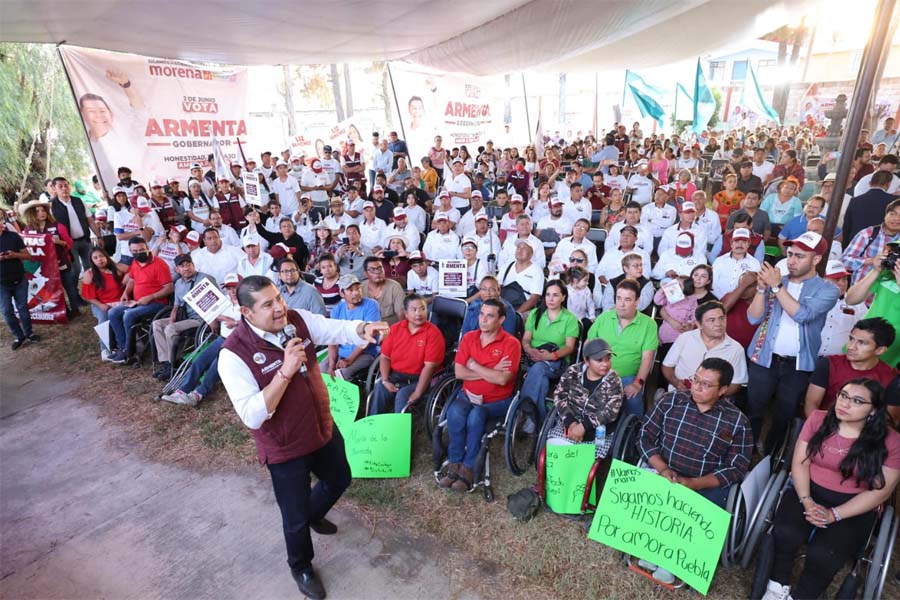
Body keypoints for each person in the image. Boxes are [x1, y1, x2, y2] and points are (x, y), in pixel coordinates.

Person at [218, 275, 388, 599]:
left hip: (320, 425)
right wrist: (286, 369)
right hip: (285, 446)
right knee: (293, 519)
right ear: (246, 312)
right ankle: (301, 566)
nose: (280, 308)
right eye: (268, 305)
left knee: (340, 478)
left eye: (278, 299)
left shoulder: (295, 320)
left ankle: (314, 512)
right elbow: (252, 414)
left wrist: (360, 331)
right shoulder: (233, 354)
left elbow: (329, 327)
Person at [761, 379, 900, 600]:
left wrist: (834, 514)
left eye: (856, 400)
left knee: (824, 554)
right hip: (808, 490)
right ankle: (777, 585)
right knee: (786, 533)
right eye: (843, 396)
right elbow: (800, 463)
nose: (845, 403)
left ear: (873, 409)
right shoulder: (818, 419)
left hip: (854, 505)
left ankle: (804, 595)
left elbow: (881, 492)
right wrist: (807, 501)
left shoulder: (890, 440)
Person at [746, 231, 839, 453]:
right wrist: (761, 288)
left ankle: (770, 456)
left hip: (798, 365)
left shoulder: (828, 289)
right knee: (754, 409)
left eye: (800, 256)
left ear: (816, 259)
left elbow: (803, 315)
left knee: (784, 414)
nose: (792, 260)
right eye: (790, 254)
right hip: (763, 357)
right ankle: (745, 452)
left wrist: (777, 288)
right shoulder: (777, 281)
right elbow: (753, 318)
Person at [639, 358, 752, 509]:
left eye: (706, 384)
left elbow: (736, 468)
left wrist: (694, 484)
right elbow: (645, 436)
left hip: (705, 486)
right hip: (661, 472)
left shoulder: (737, 422)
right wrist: (663, 468)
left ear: (723, 390)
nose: (696, 388)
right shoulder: (670, 401)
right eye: (695, 380)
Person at [439, 299, 521, 492]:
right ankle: (454, 462)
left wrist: (474, 365)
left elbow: (503, 380)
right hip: (468, 395)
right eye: (481, 314)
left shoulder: (511, 344)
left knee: (476, 416)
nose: (483, 320)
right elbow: (459, 373)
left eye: (490, 316)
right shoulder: (469, 338)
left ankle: (468, 468)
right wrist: (492, 369)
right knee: (454, 412)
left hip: (497, 402)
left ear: (501, 320)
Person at [160, 272, 243, 407]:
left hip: (238, 342)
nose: (232, 291)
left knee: (217, 364)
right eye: (229, 288)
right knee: (199, 360)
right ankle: (183, 390)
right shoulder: (224, 300)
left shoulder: (249, 302)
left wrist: (236, 323)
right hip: (222, 339)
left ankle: (198, 394)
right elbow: (213, 313)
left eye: (235, 287)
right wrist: (221, 318)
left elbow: (255, 322)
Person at [587, 279, 658, 416]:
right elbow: (588, 345)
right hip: (598, 372)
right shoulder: (604, 317)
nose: (621, 304)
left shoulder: (648, 324)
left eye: (627, 299)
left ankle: (636, 433)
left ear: (637, 302)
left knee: (633, 398)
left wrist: (638, 383)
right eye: (618, 298)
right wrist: (589, 369)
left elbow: (647, 359)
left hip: (627, 377)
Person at [804, 317, 898, 418]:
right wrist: (820, 430)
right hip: (825, 427)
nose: (851, 346)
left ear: (880, 350)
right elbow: (812, 404)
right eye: (851, 339)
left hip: (868, 431)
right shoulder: (829, 364)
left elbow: (889, 420)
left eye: (862, 343)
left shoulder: (893, 378)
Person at [369, 294, 445, 415]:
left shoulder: (433, 333)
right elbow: (384, 357)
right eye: (414, 310)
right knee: (380, 388)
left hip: (422, 378)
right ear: (405, 313)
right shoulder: (395, 329)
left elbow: (429, 367)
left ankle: (399, 433)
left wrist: (418, 392)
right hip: (397, 375)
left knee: (402, 395)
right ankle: (372, 426)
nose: (419, 313)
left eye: (422, 309)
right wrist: (385, 380)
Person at [519, 280, 581, 423]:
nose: (551, 299)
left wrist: (551, 356)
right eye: (548, 295)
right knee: (542, 381)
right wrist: (529, 349)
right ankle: (539, 422)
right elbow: (526, 339)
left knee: (539, 368)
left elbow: (569, 347)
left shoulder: (569, 319)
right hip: (533, 357)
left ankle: (525, 410)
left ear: (563, 297)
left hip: (556, 361)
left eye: (555, 295)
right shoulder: (535, 314)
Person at [107, 237, 174, 364]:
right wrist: (126, 293)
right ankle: (122, 347)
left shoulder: (159, 264)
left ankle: (130, 351)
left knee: (129, 315)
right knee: (113, 313)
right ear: (131, 251)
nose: (139, 253)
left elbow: (169, 288)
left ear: (147, 248)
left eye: (142, 250)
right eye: (135, 251)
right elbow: (132, 279)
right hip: (137, 302)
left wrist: (151, 297)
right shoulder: (135, 263)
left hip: (157, 304)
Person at [549, 337, 624, 449]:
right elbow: (559, 395)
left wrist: (584, 426)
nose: (605, 364)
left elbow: (611, 411)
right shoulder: (573, 372)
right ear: (587, 360)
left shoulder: (614, 380)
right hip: (571, 420)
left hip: (598, 428)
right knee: (555, 443)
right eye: (599, 360)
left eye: (608, 359)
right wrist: (571, 422)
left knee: (592, 454)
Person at [662, 301, 748, 396]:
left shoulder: (735, 349)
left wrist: (713, 397)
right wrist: (677, 383)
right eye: (711, 320)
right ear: (699, 324)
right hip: (679, 394)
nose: (718, 324)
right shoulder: (686, 338)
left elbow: (736, 383)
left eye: (722, 318)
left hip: (714, 401)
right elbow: (667, 367)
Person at [151, 254, 214, 381]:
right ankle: (166, 363)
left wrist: (213, 320)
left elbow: (215, 302)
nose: (186, 268)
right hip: (184, 315)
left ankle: (174, 363)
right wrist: (171, 320)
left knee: (170, 329)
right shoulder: (178, 283)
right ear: (177, 269)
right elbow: (176, 305)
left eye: (188, 264)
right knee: (157, 324)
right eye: (182, 266)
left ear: (193, 265)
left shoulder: (205, 278)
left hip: (199, 319)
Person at [845, 247, 900, 368]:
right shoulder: (886, 272)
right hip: (862, 346)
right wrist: (876, 271)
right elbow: (851, 299)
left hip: (892, 357)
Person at [326, 274, 381, 381]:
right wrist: (331, 364)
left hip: (365, 353)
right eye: (350, 290)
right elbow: (332, 339)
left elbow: (368, 337)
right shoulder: (337, 310)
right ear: (342, 293)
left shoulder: (371, 305)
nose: (356, 292)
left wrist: (349, 359)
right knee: (320, 370)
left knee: (340, 374)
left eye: (358, 288)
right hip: (341, 352)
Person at [654, 264, 716, 353]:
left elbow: (702, 322)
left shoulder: (710, 300)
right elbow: (661, 306)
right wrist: (664, 289)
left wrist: (692, 326)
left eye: (703, 276)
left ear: (708, 281)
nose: (698, 279)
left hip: (690, 338)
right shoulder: (675, 292)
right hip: (667, 333)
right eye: (695, 275)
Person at [49, 176, 102, 276]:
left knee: (91, 267)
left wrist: (99, 236)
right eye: (60, 186)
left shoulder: (79, 201)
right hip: (68, 244)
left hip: (85, 240)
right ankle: (75, 290)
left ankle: (92, 289)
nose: (64, 188)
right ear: (54, 189)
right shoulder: (52, 206)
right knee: (75, 269)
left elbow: (90, 220)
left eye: (66, 185)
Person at [0, 219, 40, 350]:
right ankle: (18, 336)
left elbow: (28, 256)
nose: (1, 223)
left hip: (19, 279)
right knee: (6, 311)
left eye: (0, 220)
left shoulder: (13, 236)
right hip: (1, 284)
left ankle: (29, 333)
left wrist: (14, 255)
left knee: (23, 308)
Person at [841, 198, 900, 285]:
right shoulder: (868, 234)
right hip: (862, 294)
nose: (896, 218)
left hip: (888, 295)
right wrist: (872, 261)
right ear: (885, 215)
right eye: (892, 214)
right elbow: (844, 261)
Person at [81, 247, 126, 359]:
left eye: (101, 256)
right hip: (100, 303)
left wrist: (127, 280)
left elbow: (133, 271)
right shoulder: (90, 274)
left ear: (106, 256)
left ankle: (125, 345)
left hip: (119, 302)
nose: (99, 260)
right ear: (92, 261)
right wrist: (101, 305)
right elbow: (87, 296)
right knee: (103, 318)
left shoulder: (117, 268)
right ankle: (105, 349)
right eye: (95, 258)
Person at [818, 260, 868, 357]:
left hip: (838, 361)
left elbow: (865, 331)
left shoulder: (857, 304)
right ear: (823, 279)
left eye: (844, 279)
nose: (842, 283)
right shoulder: (812, 298)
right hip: (808, 358)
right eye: (836, 279)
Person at [843, 170, 897, 244]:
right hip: (882, 244)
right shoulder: (894, 201)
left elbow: (847, 226)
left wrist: (845, 245)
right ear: (888, 184)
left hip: (856, 242)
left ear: (870, 183)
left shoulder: (855, 200)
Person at [712, 228, 761, 298]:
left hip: (742, 301)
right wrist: (723, 300)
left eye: (744, 242)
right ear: (731, 243)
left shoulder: (754, 263)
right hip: (718, 300)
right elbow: (713, 284)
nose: (740, 245)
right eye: (737, 241)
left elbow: (753, 287)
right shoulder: (719, 260)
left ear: (748, 244)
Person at [499, 241, 545, 316]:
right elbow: (497, 288)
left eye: (524, 248)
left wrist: (516, 314)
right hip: (503, 306)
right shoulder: (507, 266)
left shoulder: (536, 270)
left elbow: (534, 298)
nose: (520, 250)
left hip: (524, 310)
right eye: (518, 247)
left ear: (531, 253)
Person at [360, 256, 405, 325]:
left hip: (390, 328)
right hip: (367, 328)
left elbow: (401, 315)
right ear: (366, 274)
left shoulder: (395, 287)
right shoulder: (360, 288)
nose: (377, 272)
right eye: (372, 269)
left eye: (380, 268)